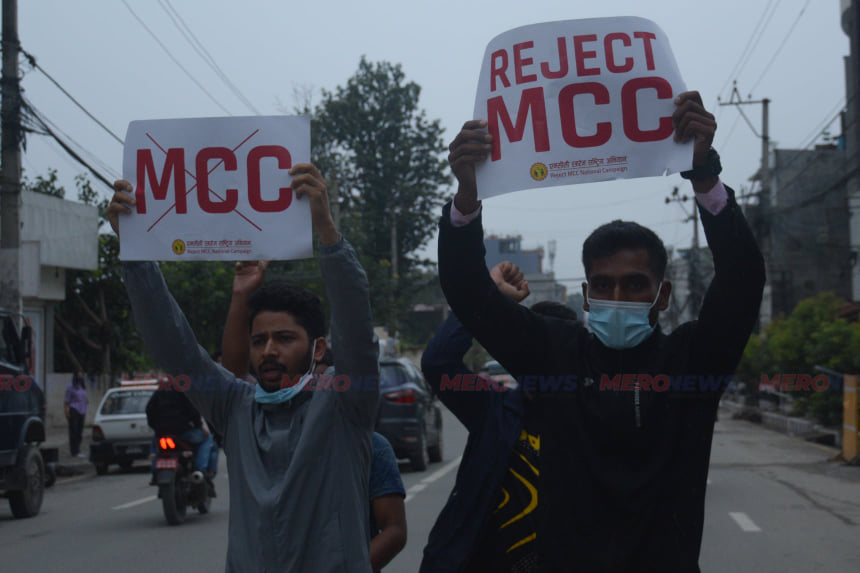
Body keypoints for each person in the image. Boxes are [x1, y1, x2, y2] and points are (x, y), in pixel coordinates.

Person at [439, 91, 766, 572]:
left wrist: (704, 173)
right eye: (603, 284)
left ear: (663, 295)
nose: (618, 295)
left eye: (634, 284)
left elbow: (742, 280)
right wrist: (468, 196)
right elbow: (468, 291)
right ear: (586, 295)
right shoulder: (554, 355)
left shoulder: (693, 364)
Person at [108, 163, 379, 572]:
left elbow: (357, 330)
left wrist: (326, 230)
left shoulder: (345, 405)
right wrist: (136, 254)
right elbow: (176, 348)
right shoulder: (236, 408)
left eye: (284, 338)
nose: (269, 350)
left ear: (319, 348)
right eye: (258, 340)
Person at [220, 260, 407, 572]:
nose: (318, 391)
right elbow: (233, 377)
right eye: (260, 341)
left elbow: (394, 530)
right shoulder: (256, 432)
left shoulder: (371, 447)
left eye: (328, 382)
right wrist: (241, 295)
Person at [420, 264, 578, 573]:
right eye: (534, 348)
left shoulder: (593, 418)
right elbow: (438, 362)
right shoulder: (494, 409)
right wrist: (491, 297)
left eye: (555, 351)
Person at [145, 384, 215, 489]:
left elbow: (149, 410)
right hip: (183, 433)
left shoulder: (159, 392)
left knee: (155, 446)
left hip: (162, 433)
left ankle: (155, 471)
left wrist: (156, 427)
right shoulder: (184, 392)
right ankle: (200, 470)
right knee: (207, 439)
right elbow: (193, 411)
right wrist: (200, 426)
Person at [64, 371, 88, 458]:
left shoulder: (83, 389)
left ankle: (78, 449)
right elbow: (66, 402)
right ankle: (74, 450)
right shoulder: (70, 389)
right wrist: (66, 412)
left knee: (80, 432)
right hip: (74, 410)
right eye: (79, 376)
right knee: (74, 431)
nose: (80, 378)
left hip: (82, 411)